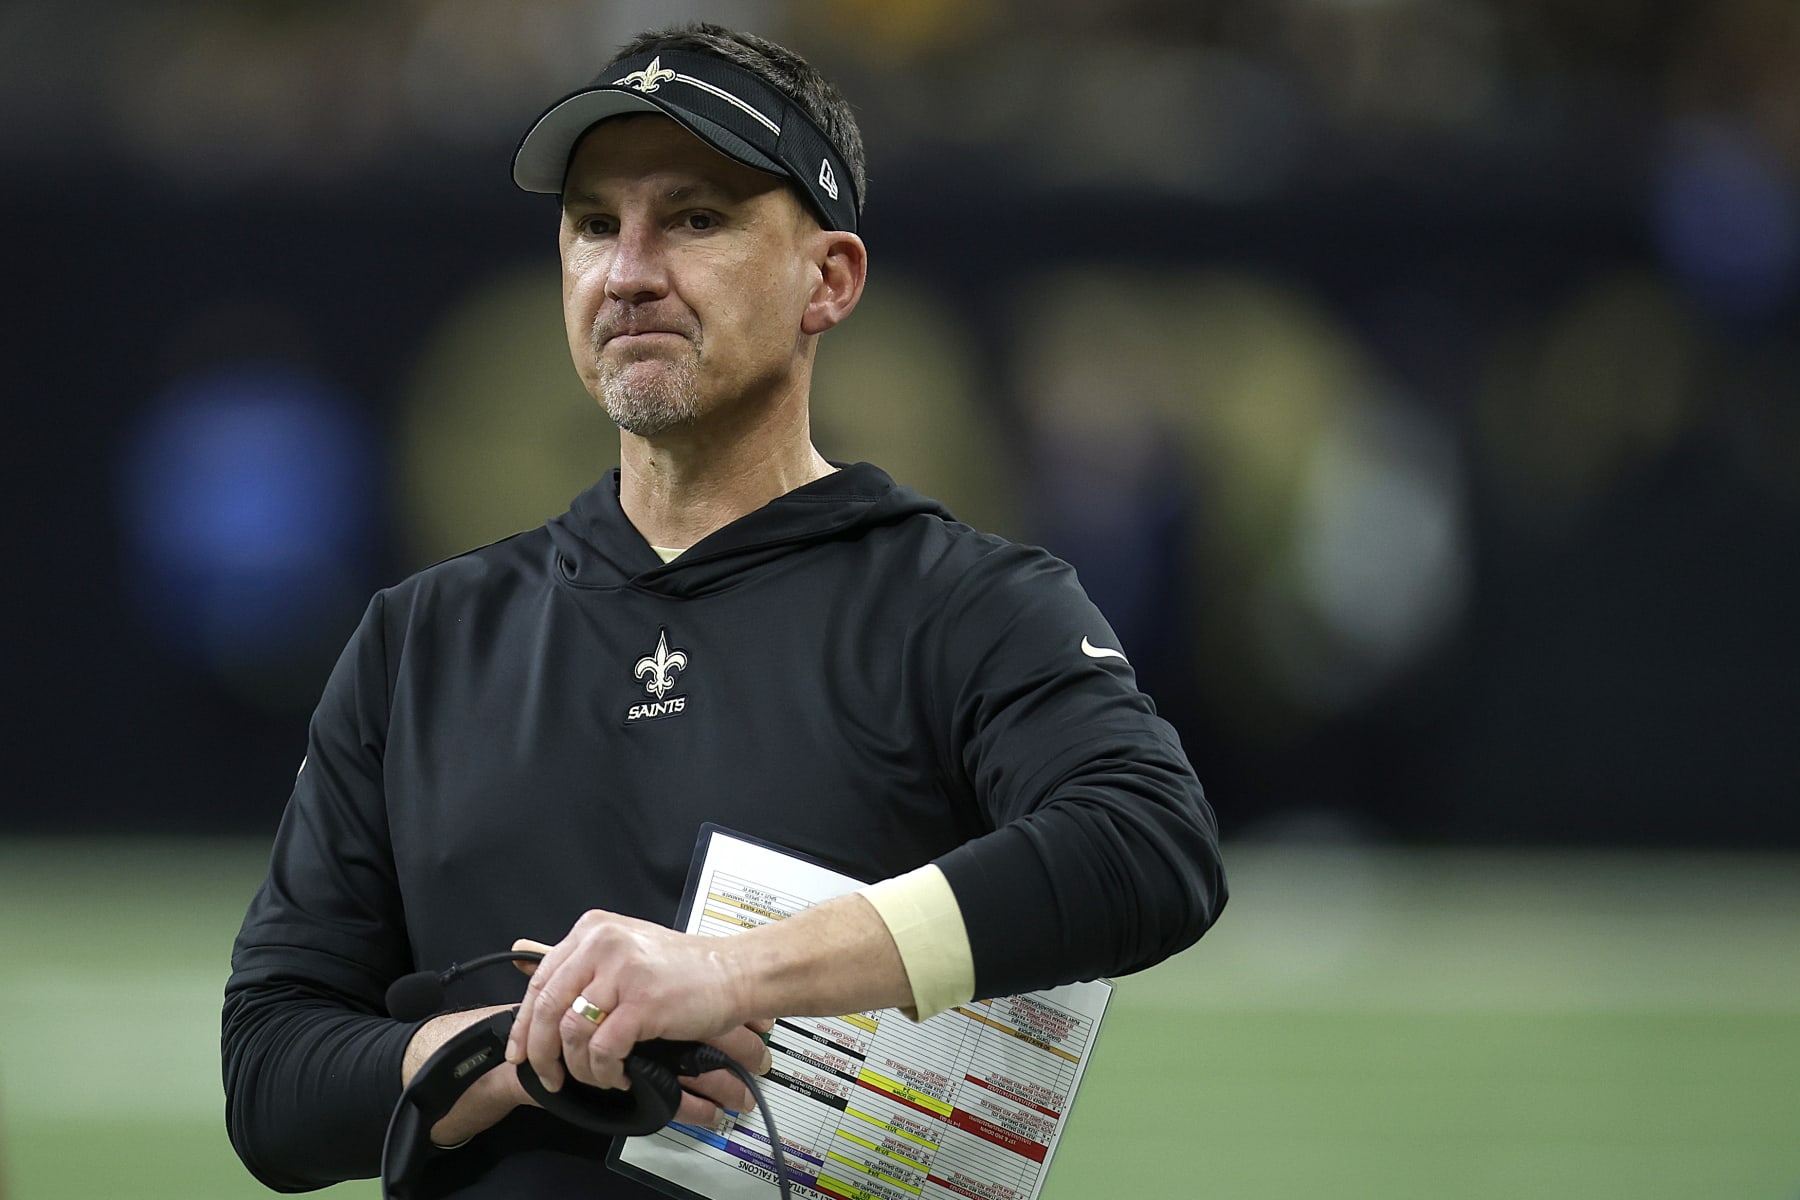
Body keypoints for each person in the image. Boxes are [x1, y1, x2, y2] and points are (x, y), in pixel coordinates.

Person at [222, 21, 1226, 1197]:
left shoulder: (963, 604)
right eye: (595, 224)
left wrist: (731, 978)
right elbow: (270, 1080)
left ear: (829, 279)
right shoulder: (424, 638)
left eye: (696, 219)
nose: (630, 269)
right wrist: (522, 1049)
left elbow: (1152, 847)